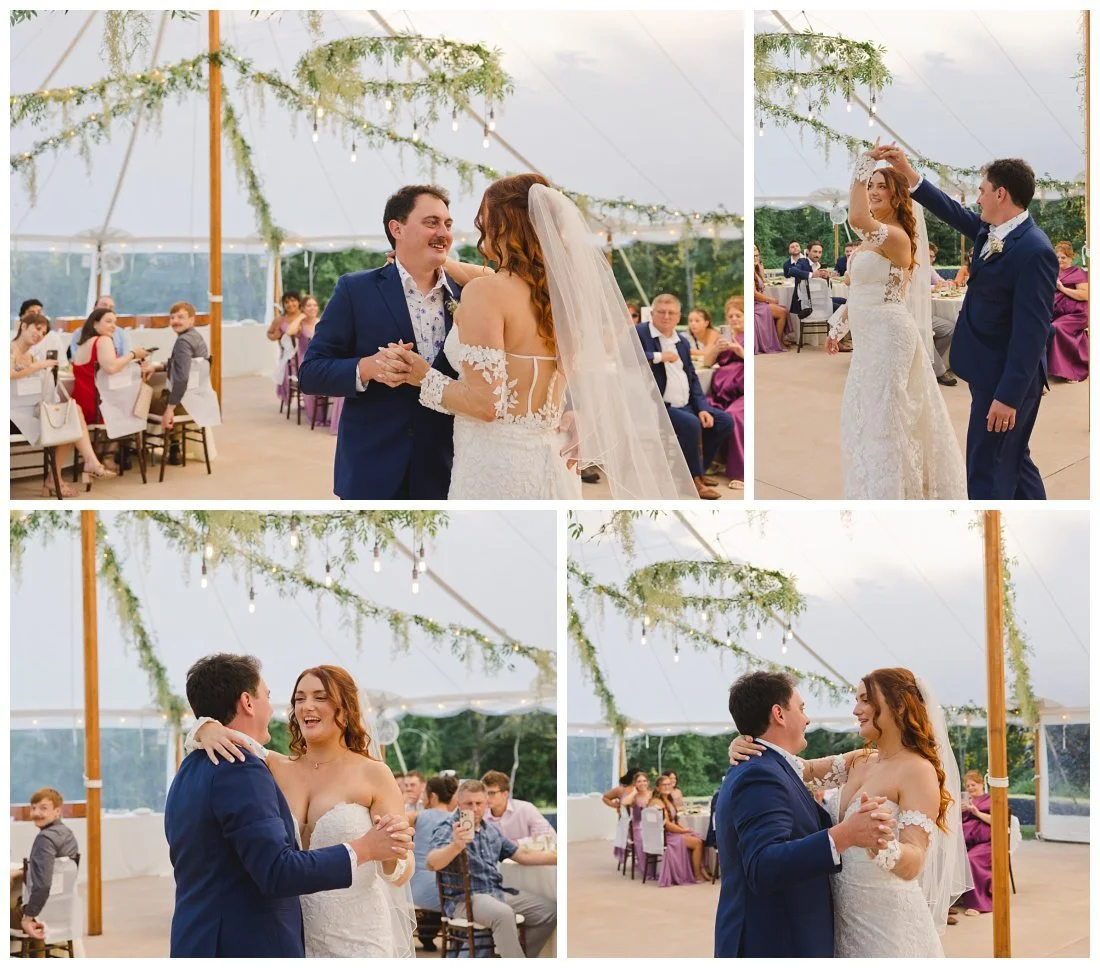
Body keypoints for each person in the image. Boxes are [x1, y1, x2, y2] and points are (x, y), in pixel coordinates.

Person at [374, 174, 698, 499]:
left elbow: (484, 404)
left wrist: (421, 375)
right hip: (553, 457)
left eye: (484, 218)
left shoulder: (485, 294)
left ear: (502, 224)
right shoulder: (563, 296)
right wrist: (442, 261)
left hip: (495, 464)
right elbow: (493, 276)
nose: (479, 227)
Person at [726, 668, 972, 956]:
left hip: (888, 928)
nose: (856, 710)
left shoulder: (918, 771)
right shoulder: (858, 761)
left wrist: (886, 848)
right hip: (841, 927)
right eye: (857, 700)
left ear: (900, 705)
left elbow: (915, 860)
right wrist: (748, 743)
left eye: (866, 700)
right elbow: (792, 768)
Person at [181, 660, 416, 957]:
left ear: (346, 707)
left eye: (320, 697)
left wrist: (390, 857)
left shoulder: (374, 774)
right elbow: (231, 736)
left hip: (358, 935)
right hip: (291, 936)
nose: (306, 706)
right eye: (299, 698)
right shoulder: (273, 765)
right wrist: (206, 727)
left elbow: (402, 869)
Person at [882, 145, 1059, 499]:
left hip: (1006, 381)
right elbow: (951, 211)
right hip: (986, 369)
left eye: (981, 190)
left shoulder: (1035, 251)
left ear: (1001, 193)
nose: (977, 199)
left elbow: (1031, 333)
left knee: (985, 469)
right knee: (1013, 461)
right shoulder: (992, 231)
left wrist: (1008, 397)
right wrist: (909, 175)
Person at [299, 186, 461, 498]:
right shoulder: (355, 290)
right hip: (372, 470)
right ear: (396, 229)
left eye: (448, 224)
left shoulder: (468, 295)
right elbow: (311, 373)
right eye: (431, 222)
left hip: (447, 470)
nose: (443, 233)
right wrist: (369, 367)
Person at [825, 147, 967, 499]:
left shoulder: (896, 237)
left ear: (897, 195)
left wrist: (863, 163)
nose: (872, 191)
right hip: (869, 339)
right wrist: (839, 326)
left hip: (890, 336)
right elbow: (863, 292)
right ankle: (880, 484)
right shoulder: (871, 241)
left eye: (880, 187)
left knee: (889, 414)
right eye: (869, 184)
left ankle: (895, 492)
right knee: (870, 412)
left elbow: (856, 218)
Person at [426, 779, 557, 958]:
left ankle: (519, 957)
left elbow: (522, 856)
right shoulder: (448, 828)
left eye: (479, 803)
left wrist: (557, 857)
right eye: (468, 803)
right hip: (466, 899)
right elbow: (432, 863)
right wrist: (456, 845)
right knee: (503, 914)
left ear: (486, 803)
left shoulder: (491, 831)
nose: (474, 808)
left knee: (549, 910)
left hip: (496, 893)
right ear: (458, 803)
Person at [636, 292, 733, 499]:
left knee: (723, 421)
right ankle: (693, 482)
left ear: (679, 316)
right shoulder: (640, 333)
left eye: (671, 313)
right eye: (661, 312)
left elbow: (692, 379)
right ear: (652, 313)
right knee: (691, 424)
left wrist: (703, 408)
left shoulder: (682, 340)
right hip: (658, 406)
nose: (666, 316)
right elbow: (626, 355)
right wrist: (659, 356)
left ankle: (695, 472)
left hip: (687, 403)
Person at [10, 313, 115, 495]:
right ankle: (65, 473)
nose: (40, 335)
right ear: (24, 326)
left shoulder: (32, 356)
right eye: (37, 328)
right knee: (67, 419)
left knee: (70, 413)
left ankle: (83, 464)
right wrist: (39, 366)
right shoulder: (10, 349)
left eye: (44, 332)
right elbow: (9, 374)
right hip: (12, 415)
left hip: (30, 410)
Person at [71, 307, 151, 426]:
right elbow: (111, 368)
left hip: (79, 402)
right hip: (97, 404)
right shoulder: (103, 340)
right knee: (141, 404)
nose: (113, 326)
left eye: (115, 323)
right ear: (95, 324)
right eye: (108, 321)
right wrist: (133, 354)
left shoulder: (83, 345)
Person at [19, 788, 80, 942]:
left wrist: (28, 918)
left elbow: (43, 885)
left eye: (43, 808)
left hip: (43, 913)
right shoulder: (67, 833)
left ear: (57, 811)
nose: (36, 813)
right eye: (33, 808)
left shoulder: (44, 840)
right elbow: (54, 869)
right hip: (62, 908)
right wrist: (21, 871)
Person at [141, 301, 210, 431]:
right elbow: (184, 364)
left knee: (139, 403)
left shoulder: (183, 341)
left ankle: (131, 448)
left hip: (183, 403)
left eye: (180, 317)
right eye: (172, 317)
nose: (175, 321)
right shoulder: (196, 337)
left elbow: (182, 378)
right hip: (198, 398)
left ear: (191, 320)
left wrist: (170, 408)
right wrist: (158, 366)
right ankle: (174, 446)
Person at [409, 774, 459, 952]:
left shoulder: (417, 817)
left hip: (418, 892)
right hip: (448, 894)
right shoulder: (457, 821)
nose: (422, 798)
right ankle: (430, 934)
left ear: (433, 796)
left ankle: (424, 934)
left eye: (424, 794)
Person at [709, 298, 745, 488]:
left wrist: (740, 351)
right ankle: (715, 459)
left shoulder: (750, 336)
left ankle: (741, 473)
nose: (734, 319)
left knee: (734, 416)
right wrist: (716, 349)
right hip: (721, 392)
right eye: (730, 316)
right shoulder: (724, 338)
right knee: (706, 410)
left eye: (738, 315)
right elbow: (707, 362)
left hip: (743, 392)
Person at [650, 773, 705, 884]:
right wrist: (684, 831)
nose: (667, 787)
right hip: (665, 836)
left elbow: (674, 821)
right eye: (663, 785)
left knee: (698, 836)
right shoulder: (657, 802)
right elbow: (668, 825)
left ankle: (703, 869)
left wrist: (686, 830)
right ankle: (697, 874)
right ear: (657, 788)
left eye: (668, 784)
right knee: (697, 842)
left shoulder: (668, 800)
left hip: (670, 833)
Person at [953, 770, 993, 919]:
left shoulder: (990, 800)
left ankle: (978, 903)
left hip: (987, 843)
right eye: (968, 785)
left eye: (973, 784)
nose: (971, 788)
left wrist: (976, 813)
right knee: (946, 856)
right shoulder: (966, 802)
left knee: (971, 860)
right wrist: (959, 811)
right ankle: (956, 897)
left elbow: (997, 821)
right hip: (966, 842)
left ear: (981, 784)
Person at [1047, 241, 1089, 382]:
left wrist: (1062, 288)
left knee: (1056, 328)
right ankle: (1046, 368)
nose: (1059, 260)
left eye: (1063, 257)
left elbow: (1085, 295)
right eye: (1057, 257)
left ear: (1071, 257)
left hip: (1076, 314)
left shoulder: (1078, 273)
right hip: (1056, 313)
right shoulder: (1053, 272)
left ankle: (1070, 371)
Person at [481, 770, 554, 841]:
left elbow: (549, 836)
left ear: (505, 794)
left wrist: (517, 844)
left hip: (526, 852)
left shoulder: (525, 809)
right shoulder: (480, 813)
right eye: (484, 793)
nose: (486, 797)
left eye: (492, 793)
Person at [68, 294, 128, 360]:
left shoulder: (121, 333)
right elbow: (75, 358)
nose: (107, 309)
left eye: (111, 307)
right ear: (94, 307)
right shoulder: (79, 333)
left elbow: (126, 357)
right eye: (104, 305)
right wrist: (133, 354)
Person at [753, 245, 789, 350]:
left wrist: (760, 269)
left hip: (758, 303)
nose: (756, 257)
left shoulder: (756, 269)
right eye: (753, 256)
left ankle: (779, 339)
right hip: (754, 305)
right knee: (782, 312)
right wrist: (770, 300)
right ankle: (777, 343)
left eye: (757, 255)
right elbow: (754, 294)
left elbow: (762, 285)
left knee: (784, 308)